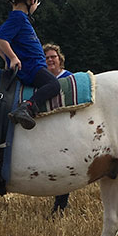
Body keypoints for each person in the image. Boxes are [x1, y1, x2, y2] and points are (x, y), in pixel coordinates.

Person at [0, 0, 60, 130]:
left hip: (30, 66)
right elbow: (1, 39)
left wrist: (7, 59)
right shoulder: (19, 18)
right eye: (37, 0)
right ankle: (27, 107)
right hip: (32, 67)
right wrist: (13, 58)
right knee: (54, 84)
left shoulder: (17, 18)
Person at [43, 42, 72, 214]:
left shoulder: (68, 77)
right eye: (46, 58)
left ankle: (61, 205)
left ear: (60, 59)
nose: (50, 60)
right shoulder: (42, 79)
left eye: (53, 57)